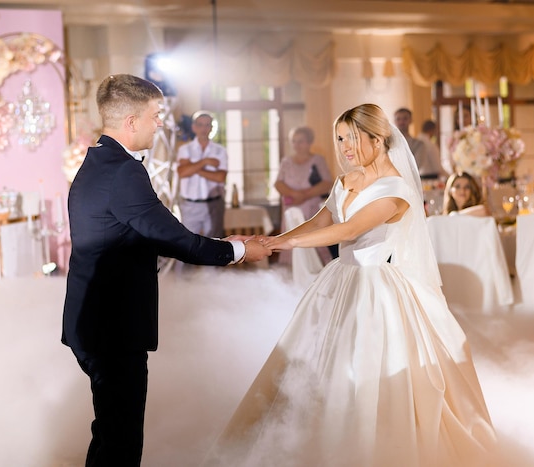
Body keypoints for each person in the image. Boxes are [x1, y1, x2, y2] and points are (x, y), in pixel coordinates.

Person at [203, 104, 497, 467]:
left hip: (376, 287)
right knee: (314, 362)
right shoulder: (348, 180)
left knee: (367, 366)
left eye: (353, 139)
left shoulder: (398, 190)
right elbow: (319, 221)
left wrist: (276, 246)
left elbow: (349, 229)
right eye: (340, 138)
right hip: (339, 279)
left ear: (379, 138)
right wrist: (269, 238)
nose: (344, 147)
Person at [62, 74, 271, 467]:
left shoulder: (97, 163)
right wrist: (240, 250)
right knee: (121, 443)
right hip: (112, 328)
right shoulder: (124, 172)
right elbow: (176, 240)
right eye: (156, 115)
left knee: (109, 432)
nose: (161, 123)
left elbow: (146, 233)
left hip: (92, 321)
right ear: (131, 122)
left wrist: (225, 243)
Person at [274, 126, 335, 263]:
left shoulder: (318, 160)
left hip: (311, 209)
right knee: (291, 242)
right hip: (291, 208)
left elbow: (327, 183)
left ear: (309, 142)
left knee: (313, 243)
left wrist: (305, 196)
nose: (297, 145)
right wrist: (293, 194)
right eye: (294, 141)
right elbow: (278, 183)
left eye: (300, 141)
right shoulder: (286, 162)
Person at [177, 110, 228, 238]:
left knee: (215, 242)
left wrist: (193, 167)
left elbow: (220, 177)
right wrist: (205, 162)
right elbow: (182, 173)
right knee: (187, 244)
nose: (204, 128)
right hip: (190, 205)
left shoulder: (220, 151)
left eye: (207, 125)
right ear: (194, 127)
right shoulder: (185, 149)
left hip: (214, 204)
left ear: (211, 128)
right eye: (200, 125)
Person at [394, 107, 427, 171]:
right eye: (398, 119)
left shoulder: (419, 145)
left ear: (411, 120)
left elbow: (416, 166)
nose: (401, 122)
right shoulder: (387, 143)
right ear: (394, 121)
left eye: (405, 118)